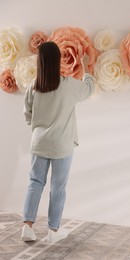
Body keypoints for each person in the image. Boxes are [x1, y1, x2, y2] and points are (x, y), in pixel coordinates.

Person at [21, 41, 95, 243]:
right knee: (58, 187)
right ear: (57, 60)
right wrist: (86, 65)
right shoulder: (69, 85)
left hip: (39, 142)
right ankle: (53, 231)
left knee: (35, 183)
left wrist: (38, 130)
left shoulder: (34, 86)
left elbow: (27, 113)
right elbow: (89, 88)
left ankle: (27, 227)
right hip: (62, 144)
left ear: (40, 61)